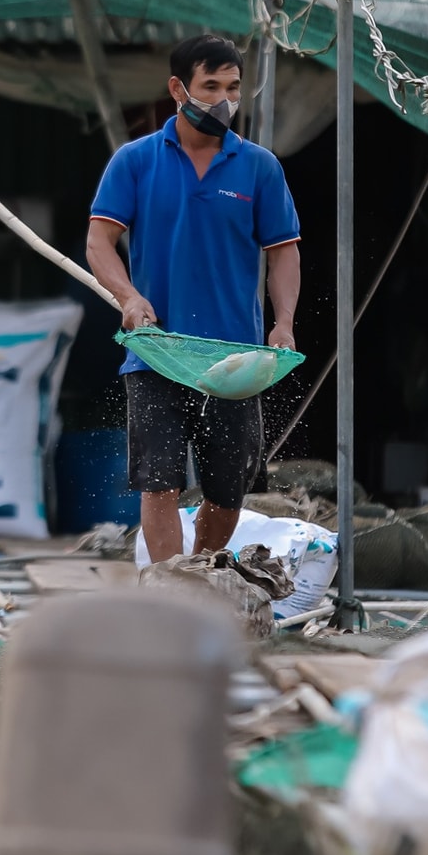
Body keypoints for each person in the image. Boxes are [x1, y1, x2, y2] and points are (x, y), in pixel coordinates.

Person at [87, 34, 302, 563]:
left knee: (227, 493)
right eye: (211, 87)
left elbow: (284, 253)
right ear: (178, 88)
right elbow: (99, 241)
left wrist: (284, 324)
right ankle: (167, 586)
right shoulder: (135, 161)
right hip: (156, 350)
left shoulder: (259, 168)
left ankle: (203, 571)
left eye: (233, 88)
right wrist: (129, 296)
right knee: (157, 484)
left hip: (235, 360)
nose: (224, 100)